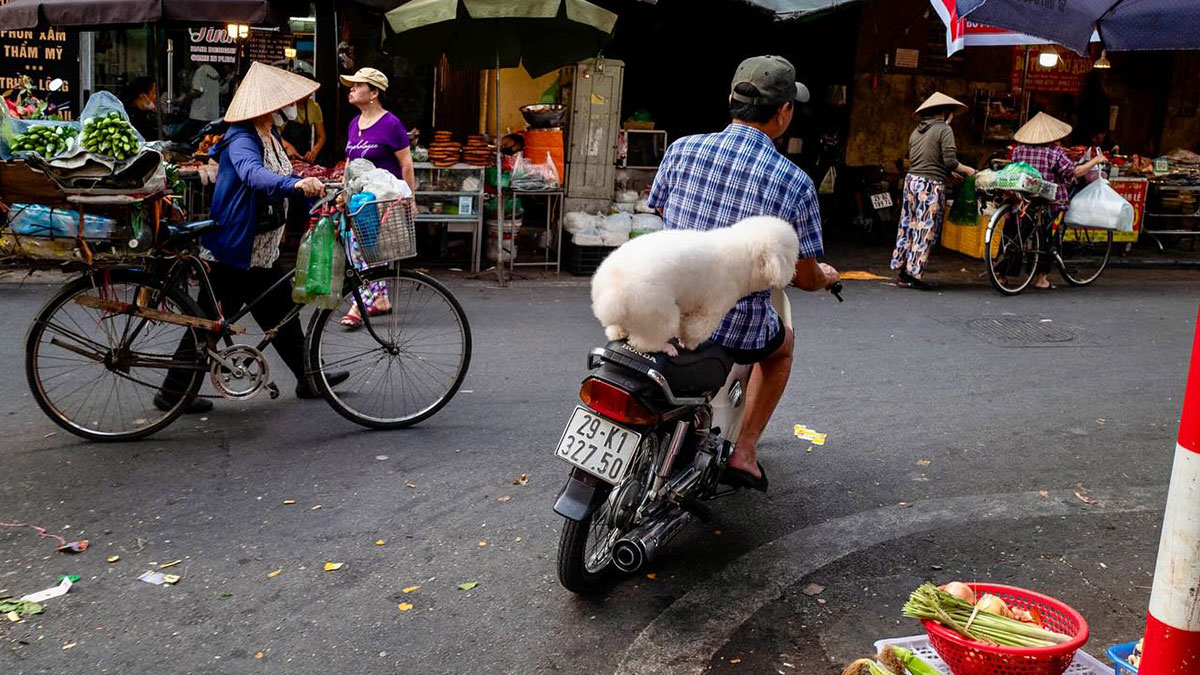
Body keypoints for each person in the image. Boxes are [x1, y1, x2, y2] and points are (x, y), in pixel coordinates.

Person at [646, 55, 839, 492]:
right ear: (784, 112)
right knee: (782, 348)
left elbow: (660, 208)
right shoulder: (794, 182)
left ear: (731, 98)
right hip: (730, 324)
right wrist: (825, 276)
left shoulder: (682, 149)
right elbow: (804, 277)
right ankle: (745, 451)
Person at [158, 62, 346, 414]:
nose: (290, 110)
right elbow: (254, 176)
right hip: (236, 250)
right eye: (282, 104)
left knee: (283, 318)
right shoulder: (241, 138)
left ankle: (309, 378)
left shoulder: (270, 135)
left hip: (262, 249)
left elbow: (281, 174)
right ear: (266, 106)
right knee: (208, 325)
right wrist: (294, 184)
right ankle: (171, 393)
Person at [337, 68, 416, 328]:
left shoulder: (391, 124)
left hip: (382, 200)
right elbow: (351, 161)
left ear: (373, 93)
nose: (351, 89)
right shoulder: (354, 123)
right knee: (356, 250)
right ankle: (380, 300)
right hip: (357, 199)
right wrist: (342, 189)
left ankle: (358, 305)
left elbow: (406, 164)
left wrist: (410, 198)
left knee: (365, 254)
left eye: (357, 85)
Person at [1008, 112, 1106, 290]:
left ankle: (1001, 275)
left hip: (1023, 198)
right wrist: (1095, 161)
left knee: (1017, 234)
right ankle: (1041, 279)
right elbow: (1073, 172)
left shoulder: (1018, 150)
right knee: (1046, 236)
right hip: (1048, 200)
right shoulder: (1054, 152)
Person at [890, 92, 975, 290]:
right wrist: (967, 170)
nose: (952, 118)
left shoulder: (916, 131)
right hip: (929, 186)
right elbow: (950, 161)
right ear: (945, 113)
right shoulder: (944, 129)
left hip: (911, 182)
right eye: (951, 114)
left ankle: (903, 271)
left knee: (909, 226)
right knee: (925, 229)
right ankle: (913, 274)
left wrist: (948, 175)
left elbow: (926, 160)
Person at [124, 76, 159, 141]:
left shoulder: (145, 114)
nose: (155, 97)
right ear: (143, 96)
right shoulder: (131, 117)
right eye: (154, 93)